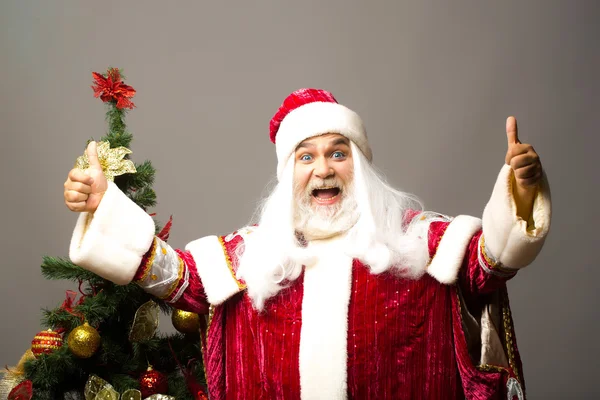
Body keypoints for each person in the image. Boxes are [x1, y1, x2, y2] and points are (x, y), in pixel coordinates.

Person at [63, 88, 551, 400]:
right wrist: (106, 206)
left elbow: (490, 262)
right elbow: (179, 279)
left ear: (358, 166)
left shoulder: (417, 239)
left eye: (338, 153)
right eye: (306, 157)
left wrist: (519, 196)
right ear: (287, 174)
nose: (323, 169)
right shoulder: (255, 254)